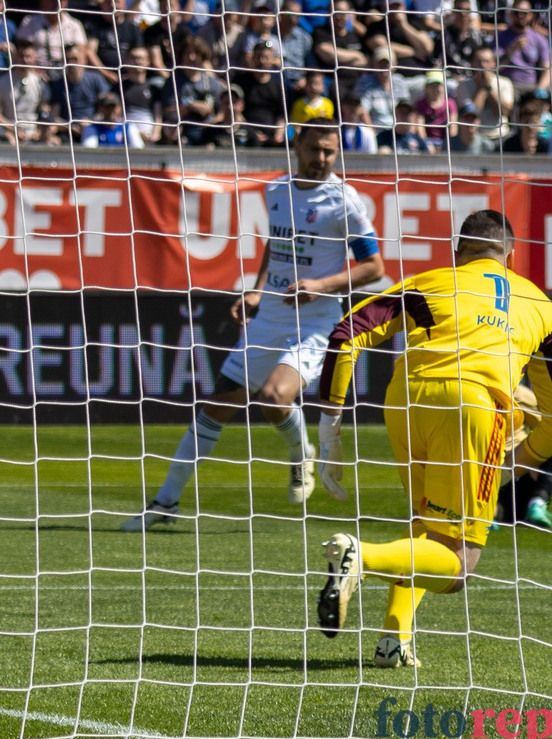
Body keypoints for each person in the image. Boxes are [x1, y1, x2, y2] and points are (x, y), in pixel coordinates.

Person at [310, 207, 552, 670]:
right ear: (511, 255)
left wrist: (329, 431)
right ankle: (359, 557)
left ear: (457, 251)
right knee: (459, 563)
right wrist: (521, 459)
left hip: (406, 400)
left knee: (427, 524)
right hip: (474, 406)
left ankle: (395, 637)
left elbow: (345, 335)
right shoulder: (541, 306)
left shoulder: (429, 283)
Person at [123, 123, 384, 528]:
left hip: (314, 320)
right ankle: (165, 503)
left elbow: (373, 267)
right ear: (296, 146)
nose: (321, 159)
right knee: (215, 407)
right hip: (271, 315)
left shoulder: (343, 201)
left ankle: (302, 453)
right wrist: (258, 291)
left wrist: (321, 285)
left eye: (330, 152)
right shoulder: (276, 191)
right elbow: (277, 245)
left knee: (274, 398)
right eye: (314, 149)